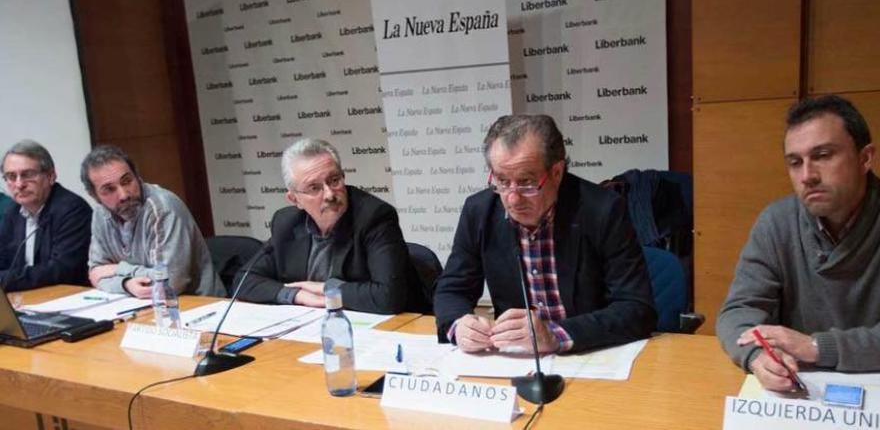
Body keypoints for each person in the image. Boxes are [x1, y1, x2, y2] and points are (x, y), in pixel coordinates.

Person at [434, 115, 656, 354]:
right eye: (502, 181)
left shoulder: (602, 210)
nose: (512, 198)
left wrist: (554, 335)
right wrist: (459, 325)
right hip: (517, 360)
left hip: (591, 354)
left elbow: (636, 308)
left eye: (526, 183)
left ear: (557, 172)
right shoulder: (479, 212)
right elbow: (452, 290)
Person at [717, 95, 880, 391]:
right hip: (800, 394)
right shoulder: (777, 222)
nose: (807, 176)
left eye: (823, 155)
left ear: (865, 158)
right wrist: (757, 356)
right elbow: (738, 311)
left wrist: (817, 347)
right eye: (795, 162)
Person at [236, 138, 408, 314]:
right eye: (314, 188)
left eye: (334, 180)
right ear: (295, 199)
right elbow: (245, 280)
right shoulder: (286, 223)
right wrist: (296, 295)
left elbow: (389, 296)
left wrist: (326, 289)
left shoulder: (374, 217)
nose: (329, 194)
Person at [82, 145, 224, 298]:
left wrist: (117, 270)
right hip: (141, 305)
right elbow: (96, 273)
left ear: (137, 176)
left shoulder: (163, 209)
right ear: (95, 196)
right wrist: (126, 284)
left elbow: (169, 284)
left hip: (197, 306)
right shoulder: (100, 213)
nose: (123, 195)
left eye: (127, 181)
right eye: (109, 189)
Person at [0, 140, 92, 291]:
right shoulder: (13, 211)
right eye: (11, 176)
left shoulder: (72, 209)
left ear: (50, 176)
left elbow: (60, 270)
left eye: (27, 174)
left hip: (67, 297)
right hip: (28, 300)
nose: (19, 184)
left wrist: (5, 280)